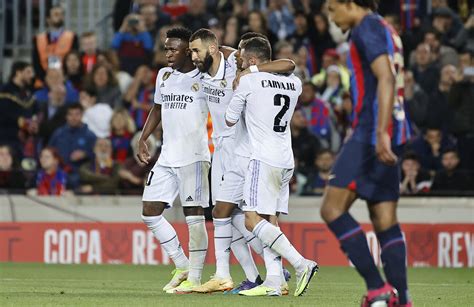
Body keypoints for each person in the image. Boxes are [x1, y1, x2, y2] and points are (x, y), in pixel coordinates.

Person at [189, 29, 296, 294]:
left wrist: (251, 71)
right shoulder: (200, 71)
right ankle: (263, 274)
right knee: (230, 216)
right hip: (222, 150)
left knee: (238, 215)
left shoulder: (235, 61)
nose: (192, 56)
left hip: (245, 150)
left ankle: (243, 273)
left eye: (196, 51)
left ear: (212, 48)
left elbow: (287, 64)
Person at [322, 1, 412, 306]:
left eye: (334, 9)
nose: (332, 18)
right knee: (383, 216)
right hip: (396, 126)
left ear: (350, 3)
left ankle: (378, 289)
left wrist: (380, 132)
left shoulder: (367, 27)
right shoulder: (385, 27)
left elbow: (385, 77)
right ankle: (402, 298)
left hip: (372, 130)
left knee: (332, 209)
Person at [225, 37, 318, 297]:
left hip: (262, 158)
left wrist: (242, 82)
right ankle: (275, 281)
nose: (240, 64)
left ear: (252, 60)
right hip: (286, 160)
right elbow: (287, 66)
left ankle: (302, 264)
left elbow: (230, 120)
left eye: (243, 59)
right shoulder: (295, 84)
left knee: (252, 219)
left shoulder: (247, 81)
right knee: (269, 221)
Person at [136, 27, 210, 294]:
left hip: (194, 156)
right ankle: (182, 265)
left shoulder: (204, 77)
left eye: (172, 49)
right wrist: (143, 138)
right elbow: (158, 107)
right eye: (165, 48)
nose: (166, 53)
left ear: (188, 51)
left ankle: (197, 279)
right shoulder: (163, 76)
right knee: (149, 212)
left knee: (194, 217)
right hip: (167, 155)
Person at [49, 103, 96, 189]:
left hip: (80, 176)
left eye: (77, 114)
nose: (73, 118)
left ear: (82, 115)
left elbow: (97, 157)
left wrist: (85, 154)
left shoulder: (90, 136)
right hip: (58, 174)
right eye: (70, 114)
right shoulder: (58, 133)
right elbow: (49, 151)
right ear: (66, 116)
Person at [32, 5, 79, 82]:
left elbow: (74, 61)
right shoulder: (38, 39)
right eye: (56, 14)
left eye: (61, 14)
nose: (59, 17)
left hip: (65, 81)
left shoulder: (72, 37)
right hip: (43, 81)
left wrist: (62, 78)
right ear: (48, 19)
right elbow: (36, 63)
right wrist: (46, 79)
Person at [0, 61, 37, 158]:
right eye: (28, 72)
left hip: (26, 141)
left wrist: (33, 123)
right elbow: (4, 115)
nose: (32, 75)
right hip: (6, 140)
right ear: (18, 72)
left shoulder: (28, 93)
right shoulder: (4, 91)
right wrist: (23, 123)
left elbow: (34, 112)